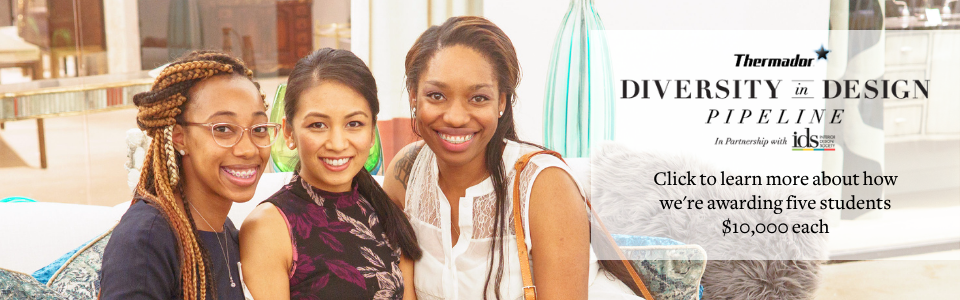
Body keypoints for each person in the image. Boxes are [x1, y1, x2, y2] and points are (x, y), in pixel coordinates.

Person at [383, 16, 645, 300]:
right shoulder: (406, 173)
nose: (455, 117)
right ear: (413, 97)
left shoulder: (545, 185)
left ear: (502, 102)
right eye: (436, 95)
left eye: (478, 98)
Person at [239, 48, 421, 300]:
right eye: (318, 125)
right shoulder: (269, 228)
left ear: (371, 134)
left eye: (354, 124)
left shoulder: (388, 215)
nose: (337, 143)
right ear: (289, 133)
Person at [100, 51, 279, 300]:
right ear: (179, 137)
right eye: (224, 129)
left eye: (258, 129)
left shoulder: (224, 230)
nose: (248, 149)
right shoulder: (147, 239)